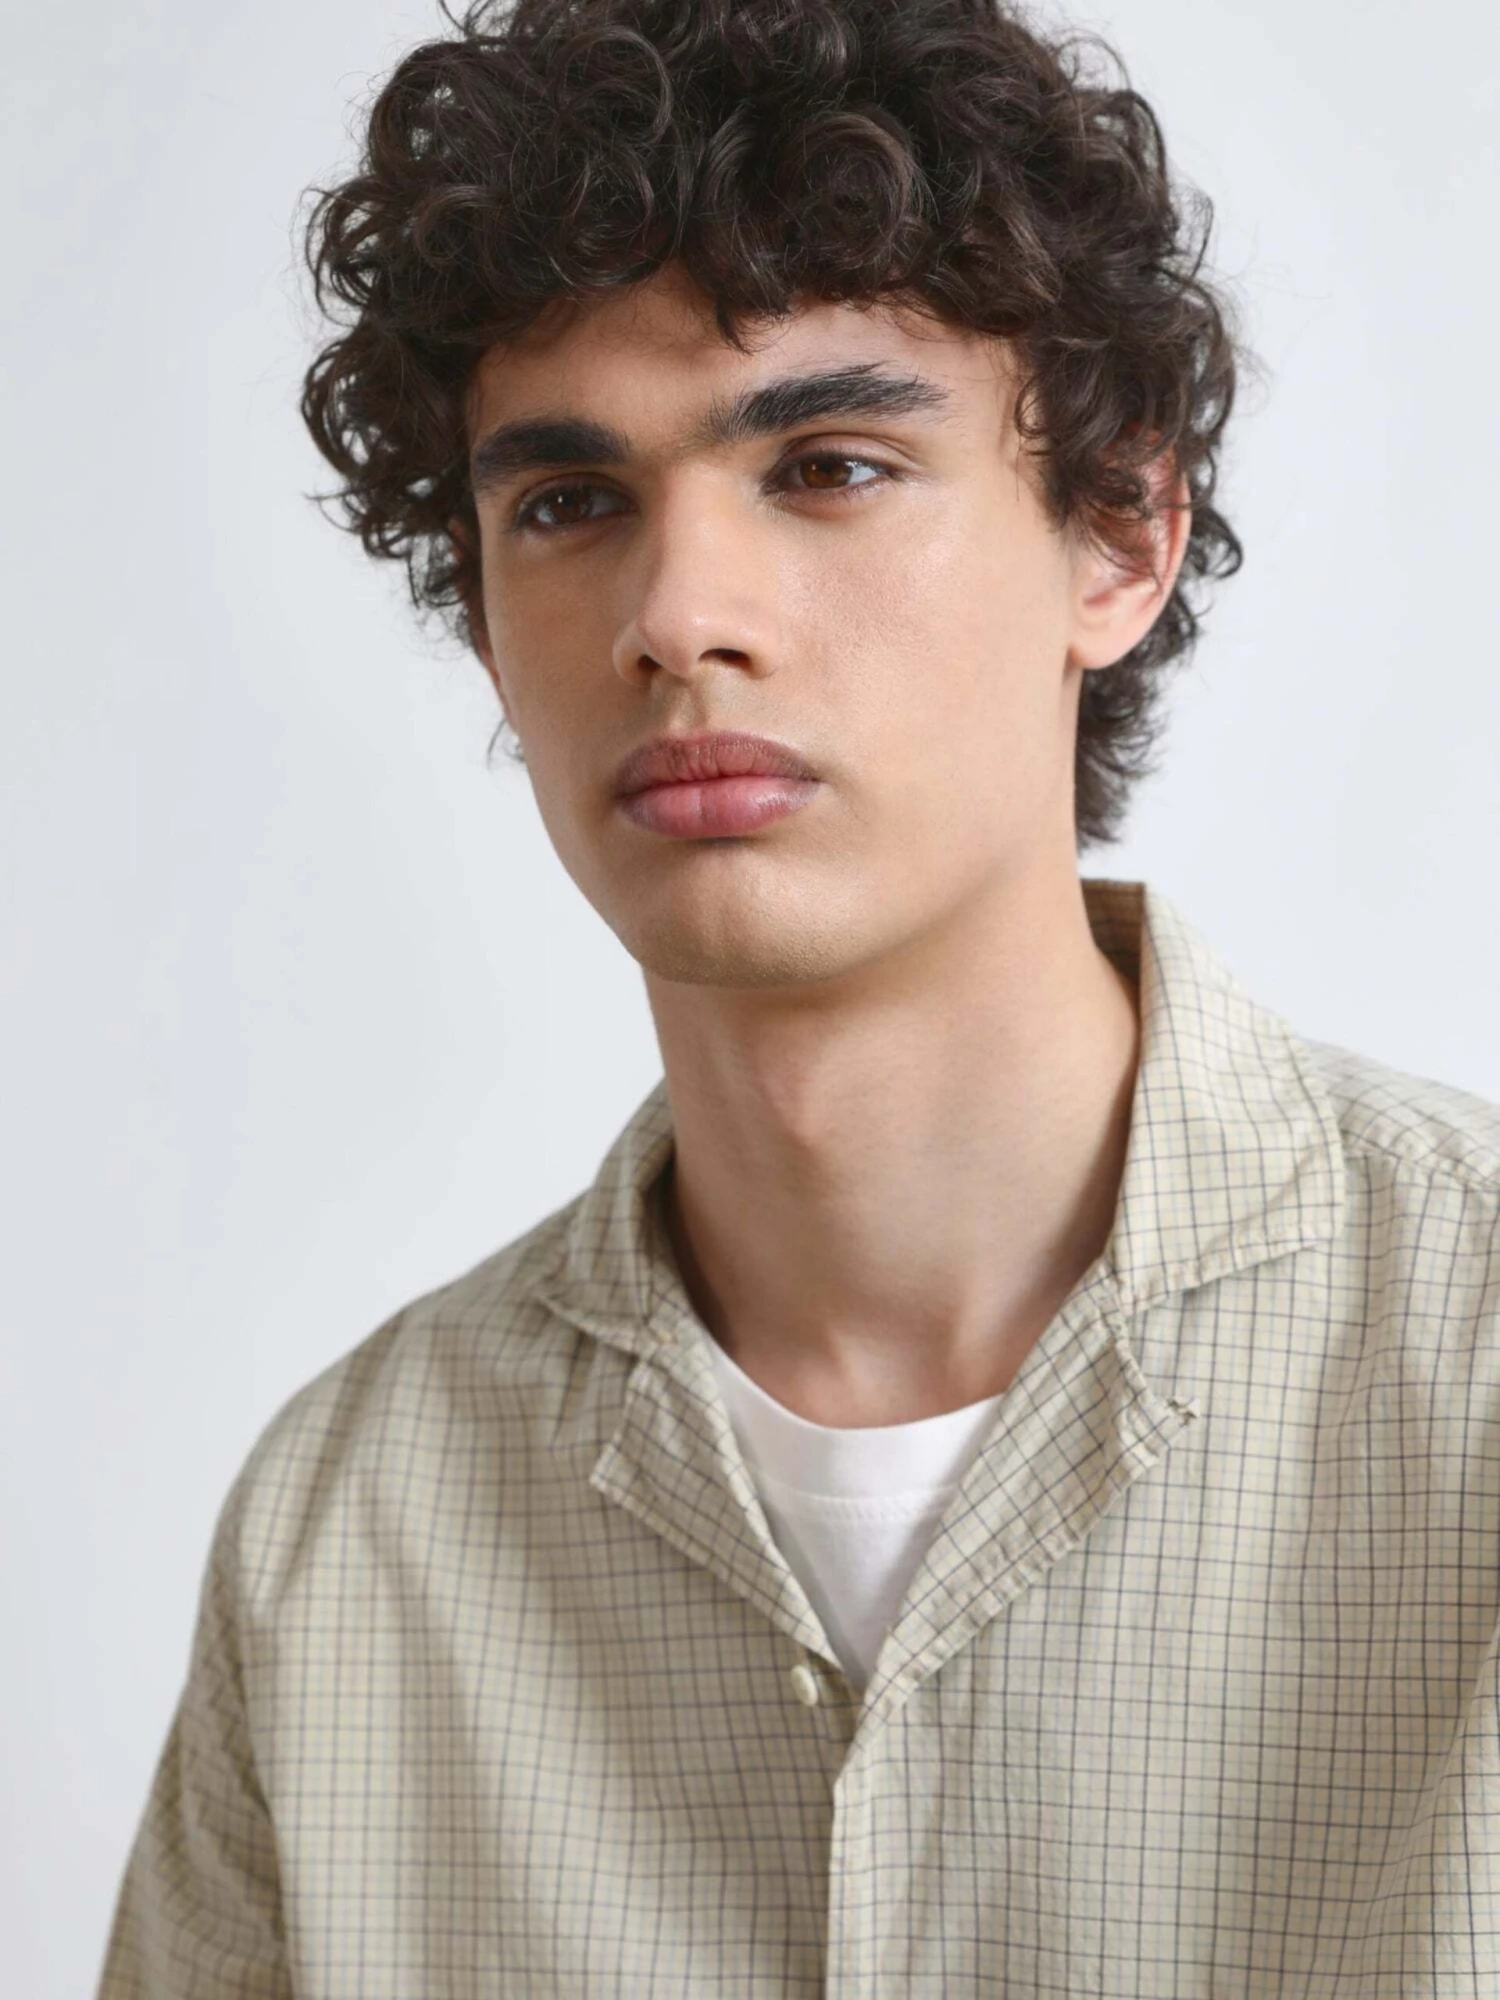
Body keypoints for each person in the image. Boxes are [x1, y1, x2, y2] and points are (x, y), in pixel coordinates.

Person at [98, 1, 1500, 1994]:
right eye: (568, 504)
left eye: (829, 466)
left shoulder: (1468, 1374)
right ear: (484, 624)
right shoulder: (342, 1537)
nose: (679, 616)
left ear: (1121, 536)